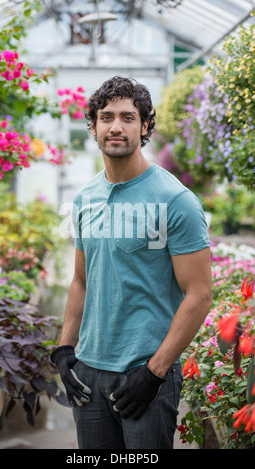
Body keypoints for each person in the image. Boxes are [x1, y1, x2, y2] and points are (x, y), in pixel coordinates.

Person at [50, 76, 212, 449]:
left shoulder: (176, 200)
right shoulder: (85, 197)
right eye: (106, 117)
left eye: (128, 117)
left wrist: (154, 374)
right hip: (88, 371)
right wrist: (64, 350)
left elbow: (199, 295)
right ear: (93, 126)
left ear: (145, 126)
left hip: (145, 372)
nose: (116, 127)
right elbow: (81, 281)